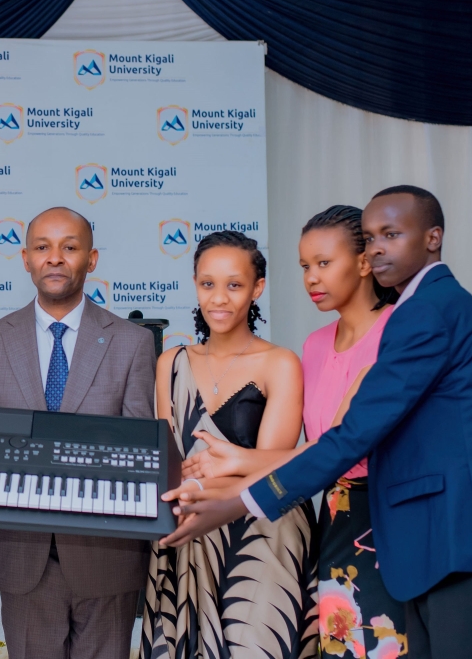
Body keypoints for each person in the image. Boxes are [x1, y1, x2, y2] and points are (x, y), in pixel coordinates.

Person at [163, 187, 472, 659]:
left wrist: (237, 502)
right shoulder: (426, 308)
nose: (377, 248)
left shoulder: (425, 313)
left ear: (433, 238)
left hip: (460, 545)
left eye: (391, 235)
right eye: (371, 237)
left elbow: (354, 436)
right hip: (428, 546)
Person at [177, 207, 405, 657]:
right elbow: (316, 452)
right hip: (333, 515)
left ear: (363, 263)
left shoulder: (400, 332)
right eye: (304, 266)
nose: (311, 278)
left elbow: (341, 446)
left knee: (388, 645)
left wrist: (238, 460)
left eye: (323, 263)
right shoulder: (315, 345)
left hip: (391, 514)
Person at [0, 207, 155, 659]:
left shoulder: (133, 343)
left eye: (69, 247)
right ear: (26, 259)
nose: (55, 258)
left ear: (91, 260)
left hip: (107, 555)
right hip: (24, 556)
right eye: (42, 247)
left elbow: (139, 454)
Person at [140, 230, 318, 659]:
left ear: (257, 288)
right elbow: (169, 460)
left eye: (234, 285)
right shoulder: (171, 362)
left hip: (262, 536)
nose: (219, 298)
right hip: (186, 533)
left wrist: (204, 485)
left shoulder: (280, 363)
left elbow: (268, 467)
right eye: (208, 284)